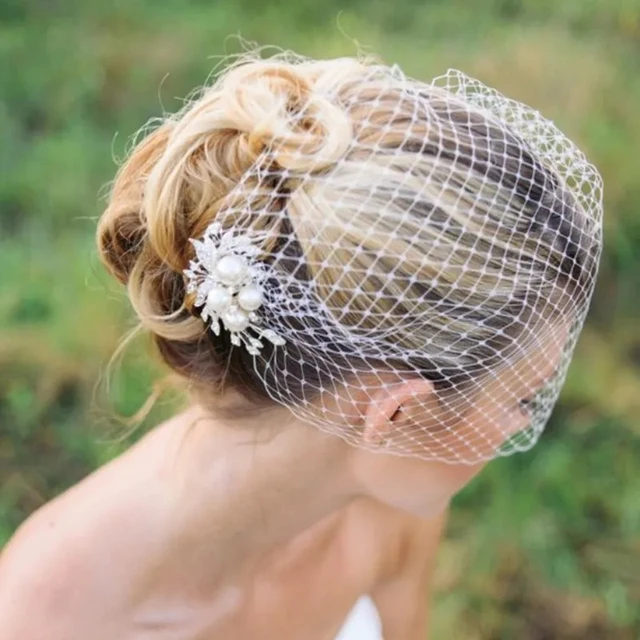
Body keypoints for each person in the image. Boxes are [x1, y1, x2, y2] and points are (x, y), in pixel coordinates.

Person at [0, 51, 602, 639]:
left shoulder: (386, 500)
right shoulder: (48, 620)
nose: (521, 425)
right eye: (521, 398)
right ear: (397, 414)